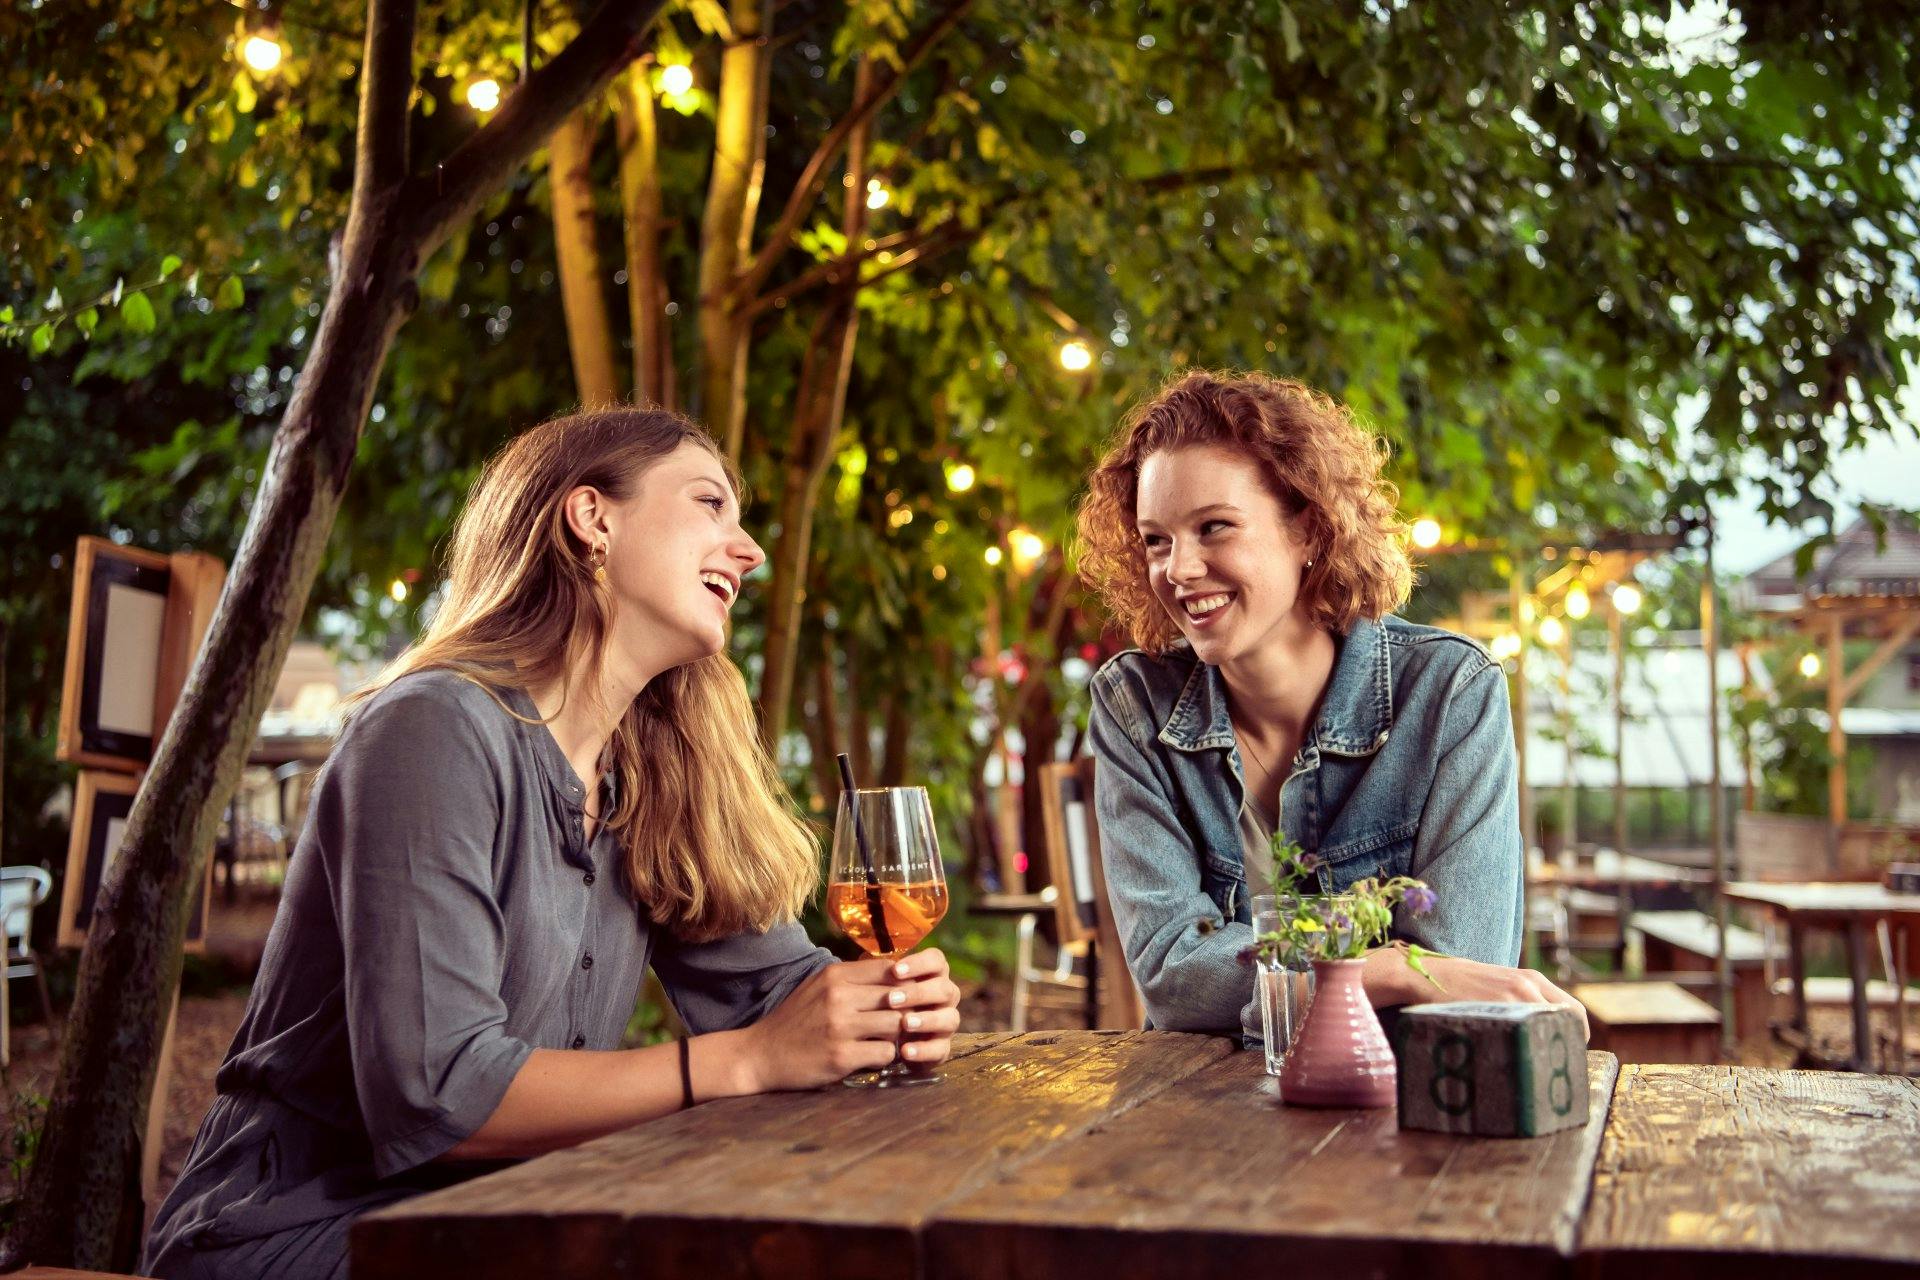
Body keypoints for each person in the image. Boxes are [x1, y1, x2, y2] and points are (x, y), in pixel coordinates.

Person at [145, 408, 961, 1279]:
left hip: (503, 1222)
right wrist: (752, 1061)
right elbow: (440, 1092)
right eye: (710, 503)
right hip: (300, 1234)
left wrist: (879, 1015)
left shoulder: (653, 771)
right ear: (592, 519)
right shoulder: (431, 731)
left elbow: (777, 997)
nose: (749, 549)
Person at [1075, 370, 1585, 1044]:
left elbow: (1466, 971)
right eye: (1157, 540)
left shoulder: (1448, 694)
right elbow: (1174, 978)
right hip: (1198, 1115)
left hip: (1397, 1107)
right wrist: (1391, 970)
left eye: (1214, 528)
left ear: (1309, 530)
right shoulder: (1134, 706)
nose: (1179, 570)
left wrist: (1280, 984)